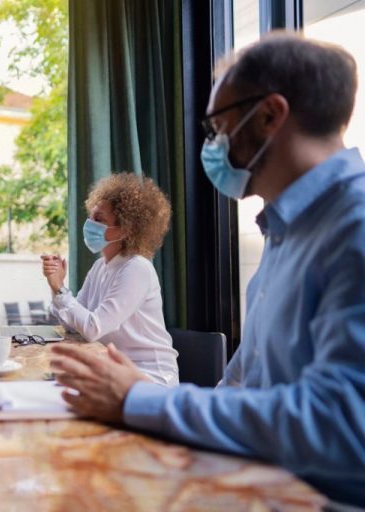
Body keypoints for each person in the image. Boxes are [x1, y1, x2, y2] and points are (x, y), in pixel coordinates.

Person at [50, 33, 365, 505]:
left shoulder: (353, 229)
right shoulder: (287, 232)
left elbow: (343, 425)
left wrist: (141, 400)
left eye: (219, 125)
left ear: (269, 115)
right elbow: (241, 382)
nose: (213, 144)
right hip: (257, 480)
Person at [41, 173, 178, 386]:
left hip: (151, 378)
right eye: (91, 217)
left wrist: (61, 290)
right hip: (117, 372)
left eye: (99, 219)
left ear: (124, 229)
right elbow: (73, 326)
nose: (89, 224)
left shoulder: (137, 269)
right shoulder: (100, 267)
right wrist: (56, 286)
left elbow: (92, 328)